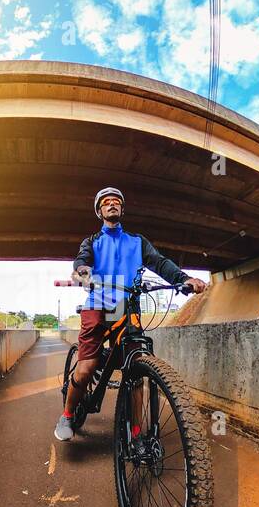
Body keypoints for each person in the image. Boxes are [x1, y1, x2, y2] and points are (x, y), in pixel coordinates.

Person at [54, 187, 206, 442]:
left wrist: (184, 279)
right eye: (106, 202)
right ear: (99, 211)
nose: (112, 204)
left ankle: (135, 431)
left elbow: (159, 262)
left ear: (122, 210)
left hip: (126, 307)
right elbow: (82, 261)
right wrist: (83, 273)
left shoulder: (137, 241)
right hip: (98, 303)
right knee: (87, 366)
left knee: (135, 370)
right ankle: (67, 414)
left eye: (116, 202)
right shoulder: (92, 241)